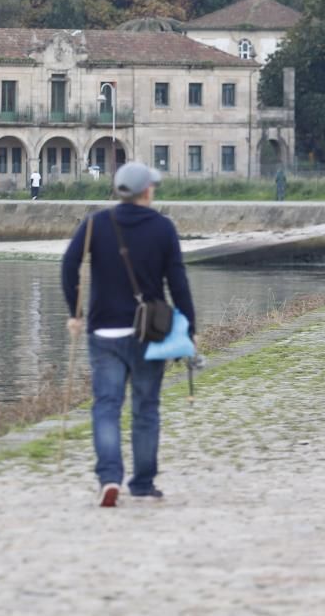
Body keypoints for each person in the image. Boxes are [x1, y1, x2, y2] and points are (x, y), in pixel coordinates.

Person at [61, 161, 196, 507]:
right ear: (146, 191)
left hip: (103, 330)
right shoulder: (163, 228)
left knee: (106, 406)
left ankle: (109, 478)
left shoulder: (95, 224)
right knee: (146, 408)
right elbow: (178, 283)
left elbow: (68, 265)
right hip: (148, 332)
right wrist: (189, 330)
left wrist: (75, 312)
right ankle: (142, 483)